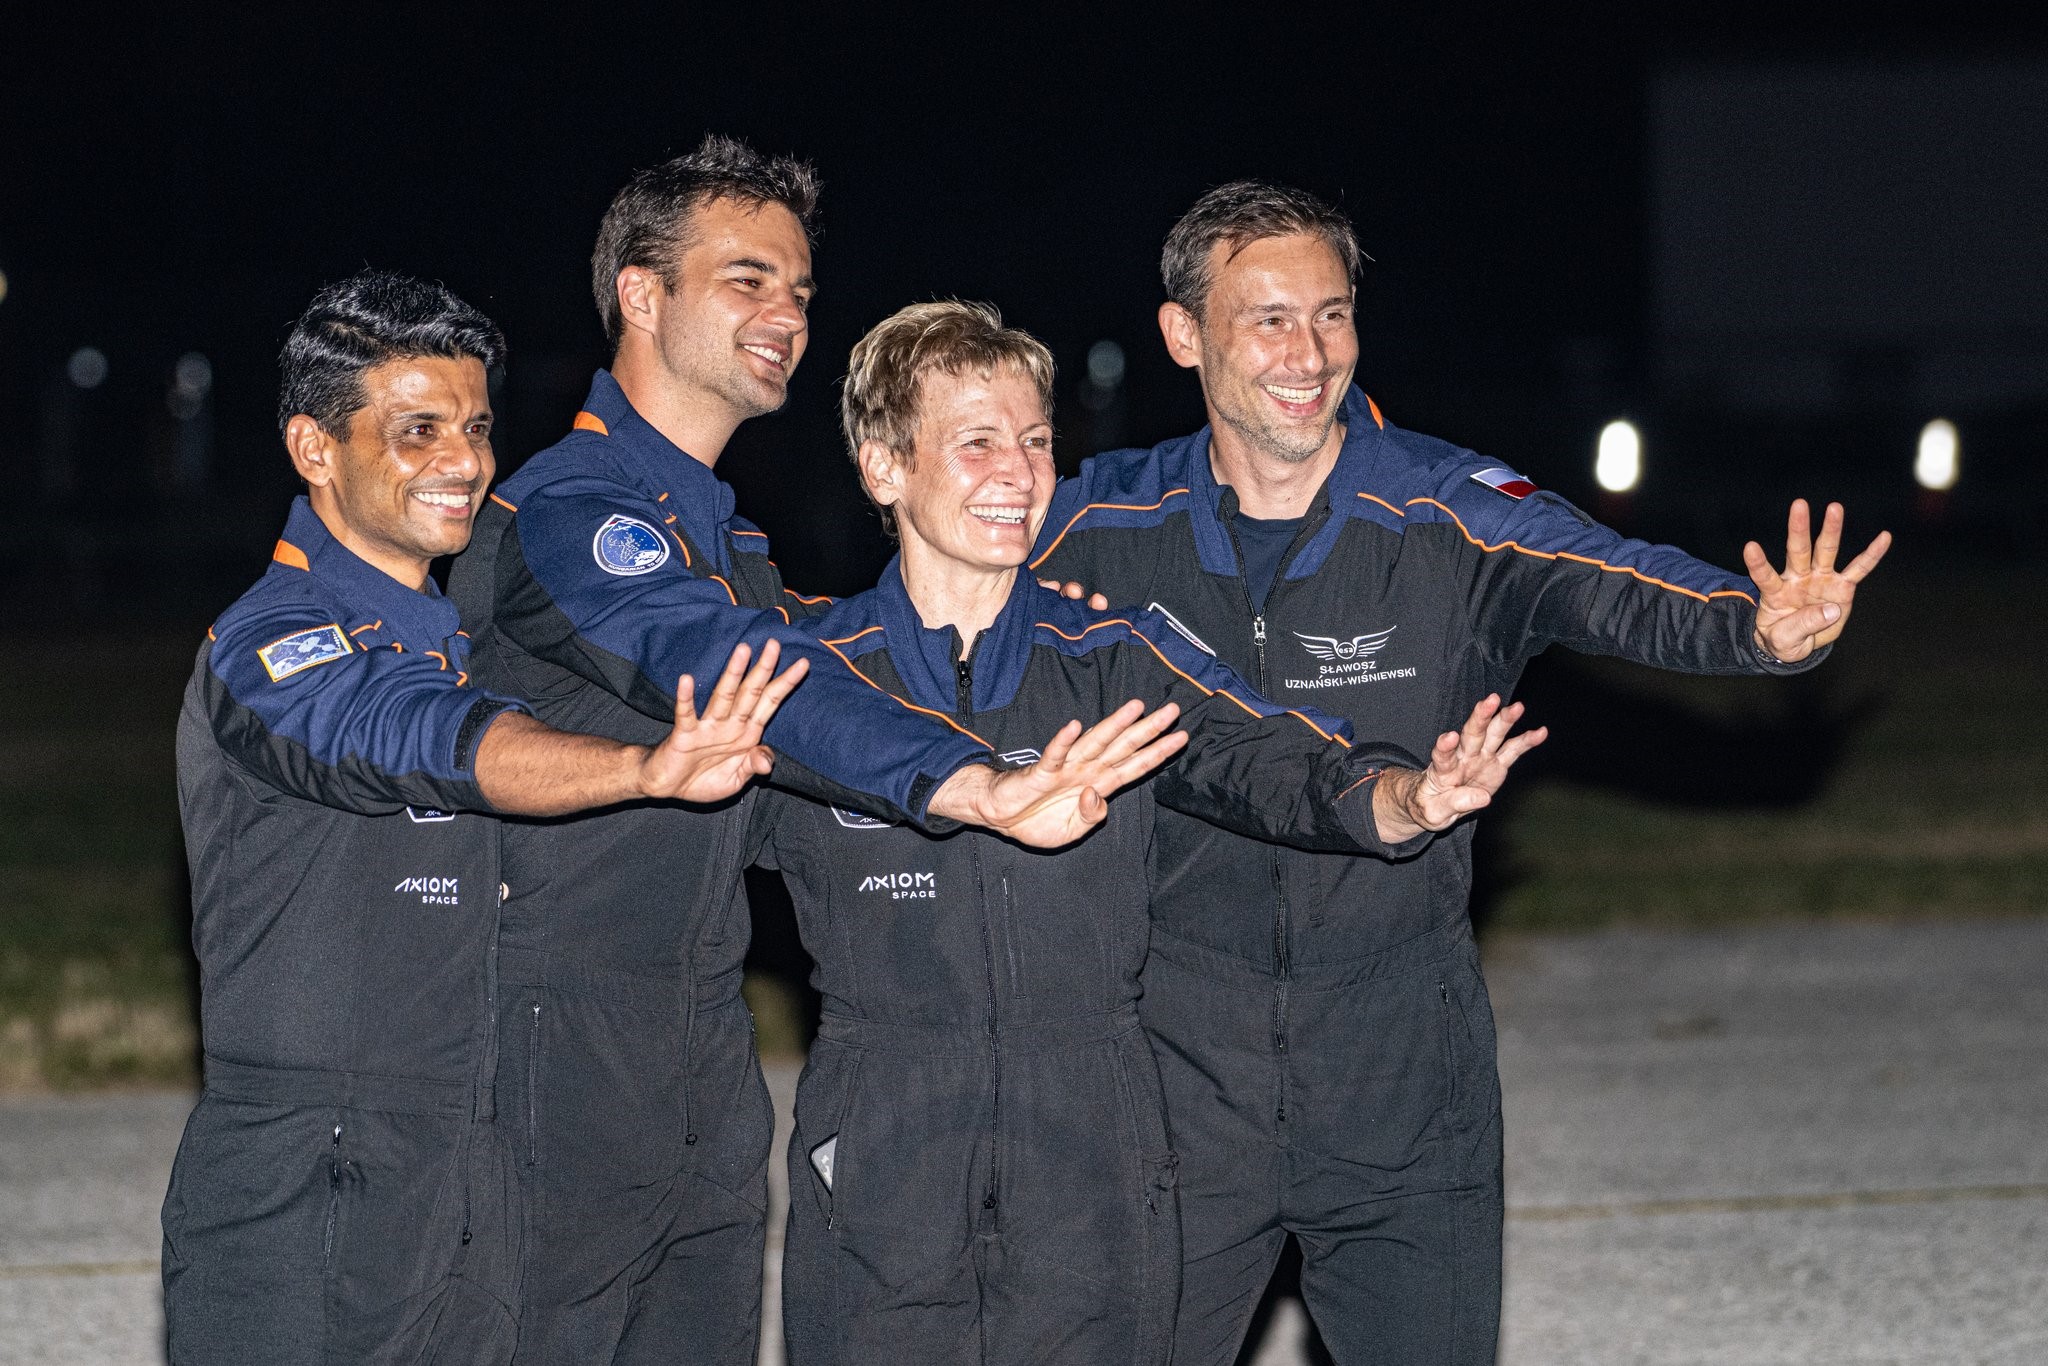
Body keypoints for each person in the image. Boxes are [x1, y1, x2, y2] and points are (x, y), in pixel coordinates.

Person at [1027, 181, 1892, 1365]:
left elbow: (1610, 577)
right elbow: (923, 604)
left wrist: (1752, 626)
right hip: (1172, 1060)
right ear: (1183, 335)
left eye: (1331, 315)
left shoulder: (1444, 510)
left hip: (1400, 1060)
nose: (1308, 354)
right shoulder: (1095, 525)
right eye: (1268, 320)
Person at [447, 138, 1179, 1364]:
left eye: (796, 288)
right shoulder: (572, 512)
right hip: (553, 1036)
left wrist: (1022, 620)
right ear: (640, 294)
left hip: (699, 1038)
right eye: (745, 280)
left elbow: (826, 668)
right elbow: (751, 675)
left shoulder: (728, 543)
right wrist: (971, 781)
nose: (785, 314)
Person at [750, 301, 1545, 1365]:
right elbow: (667, 855)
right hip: (882, 1136)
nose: (1017, 472)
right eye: (976, 442)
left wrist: (1405, 799)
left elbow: (1268, 757)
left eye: (1036, 440)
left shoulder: (1113, 659)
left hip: (1092, 1146)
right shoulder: (806, 678)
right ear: (884, 467)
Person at [164, 270, 815, 1366]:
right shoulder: (273, 642)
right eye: (416, 430)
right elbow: (419, 735)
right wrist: (642, 768)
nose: (463, 461)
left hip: (479, 1158)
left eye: (473, 427)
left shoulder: (459, 643)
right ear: (314, 448)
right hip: (312, 1167)